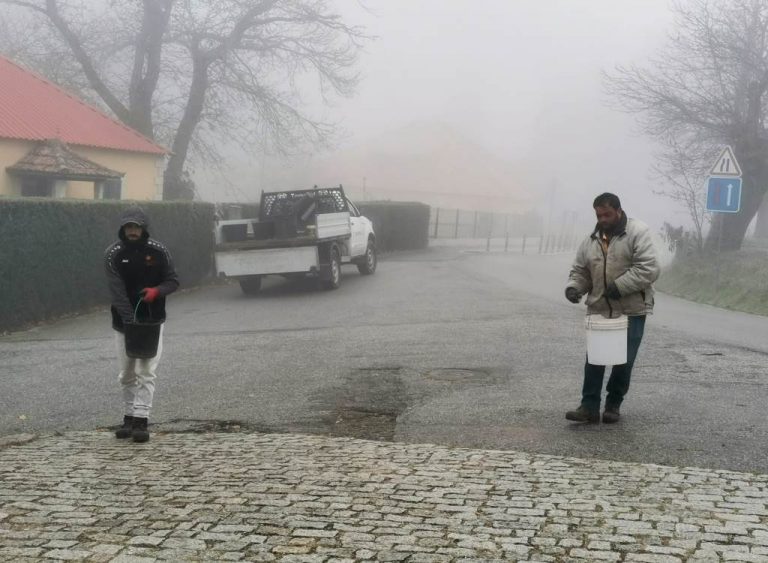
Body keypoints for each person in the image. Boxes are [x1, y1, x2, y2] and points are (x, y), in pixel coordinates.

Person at [564, 193, 660, 423]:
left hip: (632, 308)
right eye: (599, 215)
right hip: (599, 308)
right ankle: (588, 406)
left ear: (618, 211)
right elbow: (581, 271)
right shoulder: (591, 240)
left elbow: (649, 268)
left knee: (623, 360)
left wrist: (620, 286)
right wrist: (574, 287)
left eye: (607, 214)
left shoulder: (638, 232)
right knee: (595, 359)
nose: (603, 219)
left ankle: (613, 404)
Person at [105, 207, 179, 442]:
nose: (132, 231)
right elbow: (117, 292)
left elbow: (173, 281)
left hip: (152, 321)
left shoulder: (159, 251)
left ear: (144, 228)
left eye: (136, 227)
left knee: (146, 371)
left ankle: (141, 419)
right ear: (122, 229)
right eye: (128, 227)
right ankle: (128, 416)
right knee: (126, 373)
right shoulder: (113, 254)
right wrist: (129, 320)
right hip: (123, 323)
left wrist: (157, 291)